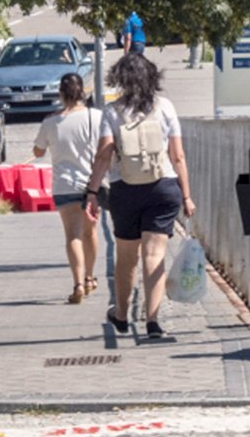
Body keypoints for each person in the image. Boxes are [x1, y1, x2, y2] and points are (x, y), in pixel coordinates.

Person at [83, 53, 194, 340]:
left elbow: (104, 155)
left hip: (125, 190)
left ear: (120, 79)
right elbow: (177, 155)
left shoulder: (112, 112)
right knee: (154, 255)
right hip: (163, 186)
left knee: (126, 257)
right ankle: (153, 320)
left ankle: (121, 314)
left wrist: (92, 192)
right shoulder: (165, 107)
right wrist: (187, 196)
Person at [33, 72, 104, 304]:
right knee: (90, 231)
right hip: (92, 185)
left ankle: (77, 284)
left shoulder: (51, 122)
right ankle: (91, 277)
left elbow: (38, 151)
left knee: (72, 234)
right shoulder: (96, 116)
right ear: (83, 91)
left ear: (61, 94)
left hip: (64, 185)